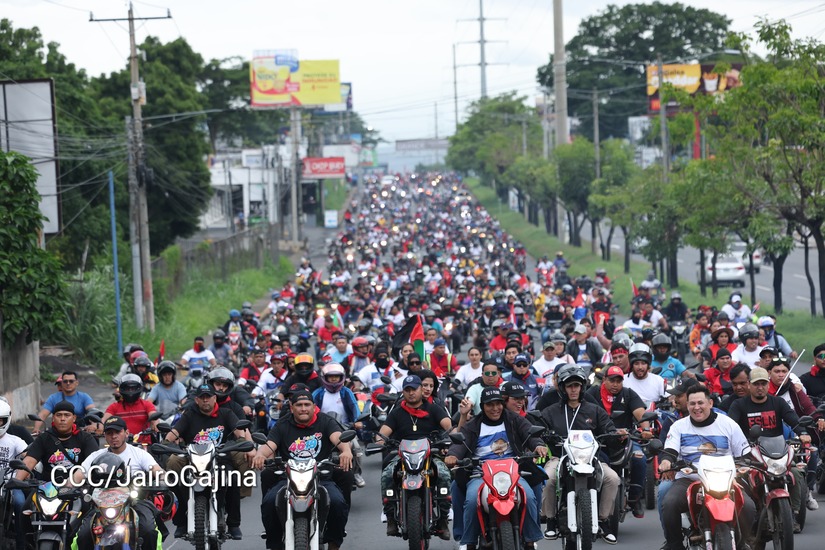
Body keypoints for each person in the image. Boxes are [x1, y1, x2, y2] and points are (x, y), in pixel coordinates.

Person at [444, 387, 547, 549]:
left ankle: (530, 539)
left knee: (529, 496)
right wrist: (452, 456)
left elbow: (529, 433)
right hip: (480, 474)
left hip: (513, 472)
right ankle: (469, 542)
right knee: (472, 500)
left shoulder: (513, 419)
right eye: (490, 405)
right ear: (482, 406)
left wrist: (538, 445)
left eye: (498, 404)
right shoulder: (472, 425)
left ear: (503, 404)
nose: (495, 408)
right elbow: (459, 444)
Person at [253, 388, 354, 550]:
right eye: (299, 405)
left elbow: (338, 438)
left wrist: (346, 451)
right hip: (288, 479)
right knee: (269, 502)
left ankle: (334, 543)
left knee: (337, 503)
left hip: (320, 478)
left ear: (314, 406)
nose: (303, 408)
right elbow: (269, 445)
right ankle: (275, 543)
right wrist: (260, 454)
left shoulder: (326, 421)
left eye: (307, 404)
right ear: (292, 407)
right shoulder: (282, 424)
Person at [658, 385, 754, 550]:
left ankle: (741, 542)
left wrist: (742, 466)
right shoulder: (678, 426)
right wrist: (666, 461)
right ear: (687, 405)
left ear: (710, 403)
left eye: (700, 403)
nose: (697, 408)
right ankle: (674, 544)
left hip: (726, 480)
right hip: (690, 479)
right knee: (670, 503)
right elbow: (670, 451)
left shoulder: (728, 424)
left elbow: (744, 454)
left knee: (749, 507)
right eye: (692, 404)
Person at [540, 365, 621, 544]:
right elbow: (536, 426)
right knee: (548, 478)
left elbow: (609, 428)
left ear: (582, 387)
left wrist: (615, 434)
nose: (573, 389)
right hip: (560, 458)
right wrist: (542, 436)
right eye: (569, 386)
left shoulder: (594, 410)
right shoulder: (551, 411)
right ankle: (551, 520)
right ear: (563, 388)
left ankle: (603, 520)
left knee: (613, 478)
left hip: (591, 459)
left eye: (576, 385)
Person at [163, 384, 251, 539]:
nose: (205, 400)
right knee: (173, 471)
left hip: (220, 458)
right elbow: (173, 433)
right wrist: (166, 443)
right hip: (192, 459)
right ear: (196, 400)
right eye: (202, 397)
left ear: (214, 398)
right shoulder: (189, 415)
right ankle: (181, 522)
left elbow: (240, 433)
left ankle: (233, 524)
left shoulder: (226, 413)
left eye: (208, 397)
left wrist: (242, 441)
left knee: (232, 478)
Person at [727, 367, 809, 530]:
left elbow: (794, 420)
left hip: (777, 453)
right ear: (749, 385)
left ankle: (793, 513)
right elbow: (730, 427)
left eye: (763, 384)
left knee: (795, 473)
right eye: (756, 384)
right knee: (738, 479)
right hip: (750, 455)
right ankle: (746, 515)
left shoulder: (778, 402)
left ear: (768, 384)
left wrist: (804, 433)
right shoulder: (739, 405)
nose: (760, 387)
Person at [71, 417, 166, 550]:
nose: (114, 436)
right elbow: (77, 476)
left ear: (126, 433)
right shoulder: (96, 456)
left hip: (135, 502)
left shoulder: (139, 454)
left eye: (117, 432)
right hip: (101, 506)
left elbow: (157, 471)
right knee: (83, 535)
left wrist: (162, 480)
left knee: (149, 530)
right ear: (105, 435)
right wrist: (66, 486)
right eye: (109, 433)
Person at [378, 375, 452, 539]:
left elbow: (449, 427)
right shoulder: (397, 413)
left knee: (444, 475)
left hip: (431, 454)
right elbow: (382, 434)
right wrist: (380, 442)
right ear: (403, 392)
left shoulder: (434, 409)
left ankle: (443, 519)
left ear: (421, 390)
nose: (411, 393)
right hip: (402, 455)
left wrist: (450, 441)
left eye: (414, 389)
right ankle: (391, 518)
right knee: (387, 475)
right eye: (408, 390)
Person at [588, 365, 652, 518]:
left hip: (625, 439)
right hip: (599, 441)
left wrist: (646, 430)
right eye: (612, 380)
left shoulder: (628, 394)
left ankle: (634, 499)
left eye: (619, 381)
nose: (615, 384)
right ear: (604, 379)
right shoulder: (592, 393)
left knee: (639, 458)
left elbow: (640, 414)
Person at [312, 363, 365, 487]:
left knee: (356, 447)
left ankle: (356, 473)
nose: (334, 379)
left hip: (344, 427)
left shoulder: (346, 392)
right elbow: (311, 409)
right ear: (325, 378)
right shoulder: (318, 393)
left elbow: (354, 408)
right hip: (323, 428)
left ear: (342, 377)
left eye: (336, 376)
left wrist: (357, 420)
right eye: (331, 377)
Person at [0, 400, 30, 550]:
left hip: (10, 484)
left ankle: (21, 543)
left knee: (20, 504)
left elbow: (29, 456)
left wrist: (28, 461)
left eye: (0, 420)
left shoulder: (15, 441)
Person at [100, 374, 158, 443]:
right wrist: (99, 426)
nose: (130, 391)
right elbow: (104, 420)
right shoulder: (114, 406)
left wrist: (155, 423)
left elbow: (153, 416)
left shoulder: (147, 404)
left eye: (133, 388)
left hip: (144, 444)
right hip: (121, 445)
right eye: (127, 388)